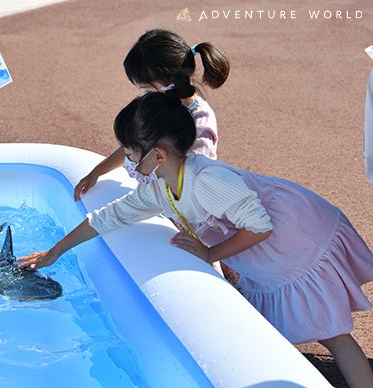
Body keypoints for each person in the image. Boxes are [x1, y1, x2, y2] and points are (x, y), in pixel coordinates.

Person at [19, 88, 373, 388]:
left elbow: (260, 225)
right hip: (269, 251)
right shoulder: (161, 187)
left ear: (158, 154)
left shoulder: (207, 179)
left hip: (298, 239)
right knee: (296, 327)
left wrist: (210, 252)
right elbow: (109, 216)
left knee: (335, 334)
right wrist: (55, 251)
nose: (126, 162)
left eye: (129, 154)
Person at [73, 28, 230, 200]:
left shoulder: (200, 120)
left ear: (170, 82)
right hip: (162, 201)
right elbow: (135, 145)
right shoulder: (160, 105)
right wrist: (97, 172)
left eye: (146, 88)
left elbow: (194, 180)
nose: (144, 94)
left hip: (190, 208)